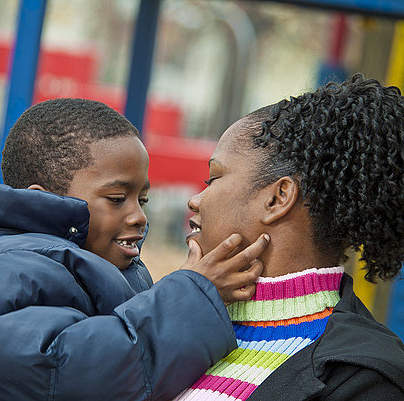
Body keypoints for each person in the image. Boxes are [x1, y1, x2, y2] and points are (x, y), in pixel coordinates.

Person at [0, 98, 269, 401]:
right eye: (117, 198)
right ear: (41, 204)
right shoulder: (9, 267)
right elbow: (70, 370)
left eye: (143, 199)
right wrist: (193, 295)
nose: (138, 216)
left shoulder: (92, 265)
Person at [173, 74, 404, 400]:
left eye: (213, 178)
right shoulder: (176, 319)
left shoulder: (364, 376)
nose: (196, 200)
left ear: (278, 198)